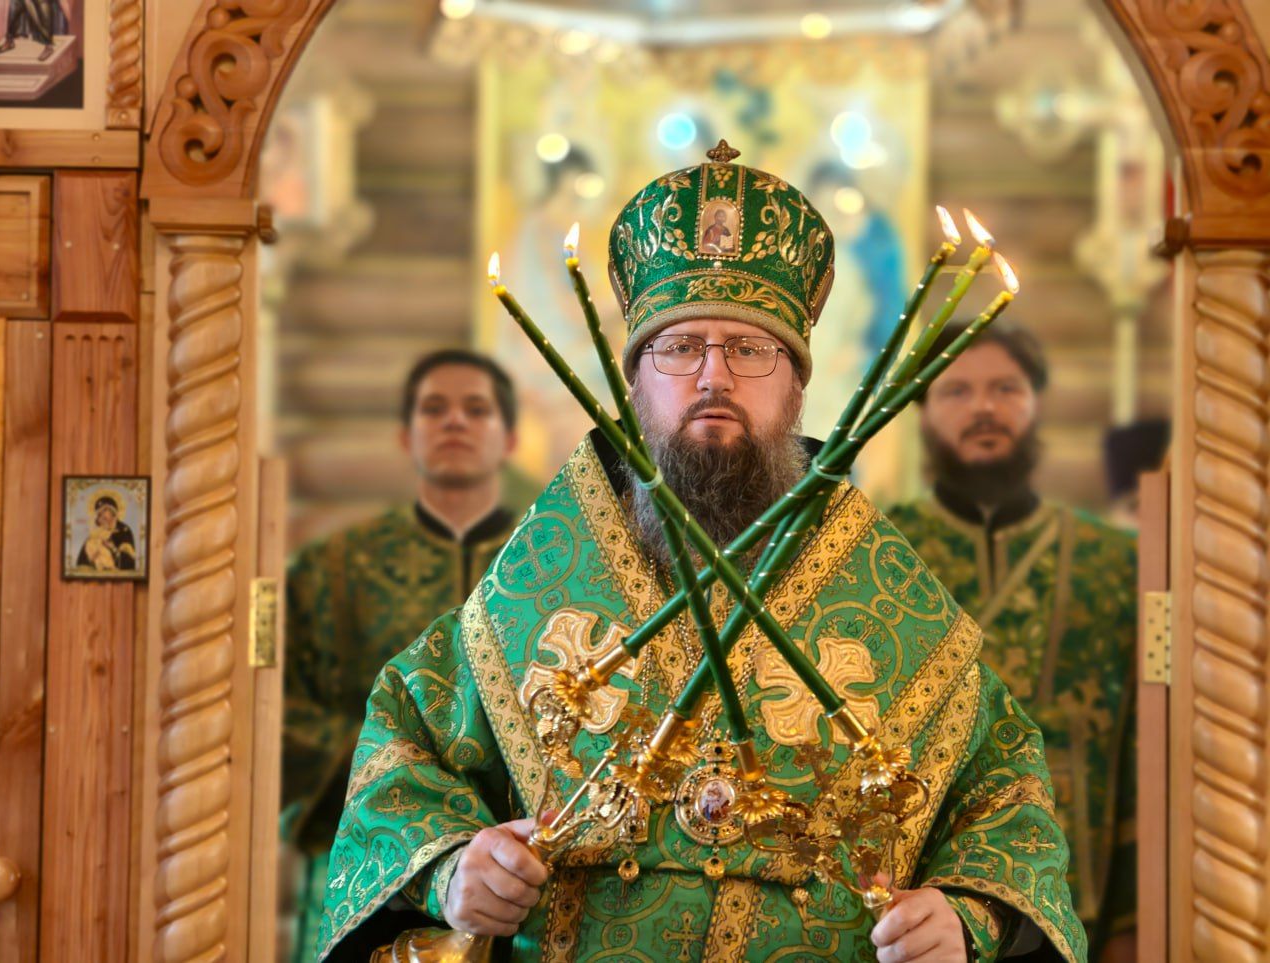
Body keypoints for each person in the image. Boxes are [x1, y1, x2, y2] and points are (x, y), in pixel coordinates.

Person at [315, 146, 1086, 962]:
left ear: (795, 385)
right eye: (679, 347)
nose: (714, 375)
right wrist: (451, 869)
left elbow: (1006, 794)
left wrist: (964, 917)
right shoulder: (539, 577)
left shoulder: (884, 585)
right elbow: (402, 745)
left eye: (750, 350)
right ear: (635, 382)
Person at [887, 322, 1137, 962]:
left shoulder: (1115, 563)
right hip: (926, 904)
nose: (985, 408)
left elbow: (1145, 747)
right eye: (957, 391)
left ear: (1036, 403)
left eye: (1006, 389)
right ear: (923, 411)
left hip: (1085, 893)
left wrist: (1135, 920)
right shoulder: (880, 553)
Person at [280, 349, 520, 963]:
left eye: (476, 409)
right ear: (405, 435)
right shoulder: (337, 566)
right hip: (368, 855)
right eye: (434, 409)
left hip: (514, 865)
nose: (455, 422)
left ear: (511, 438)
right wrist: (388, 767)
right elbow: (279, 705)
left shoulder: (543, 566)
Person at [76, 494, 137, 571]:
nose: (102, 517)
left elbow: (129, 562)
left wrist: (112, 548)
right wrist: (93, 556)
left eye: (105, 511)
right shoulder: (95, 534)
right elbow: (82, 562)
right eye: (100, 515)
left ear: (113, 513)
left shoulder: (124, 531)